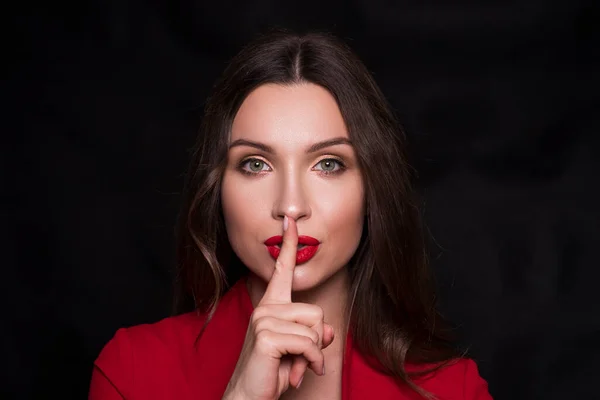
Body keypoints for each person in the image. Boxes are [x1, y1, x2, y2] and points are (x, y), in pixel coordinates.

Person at [89, 30, 493, 399]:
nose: (291, 206)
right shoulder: (133, 371)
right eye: (255, 164)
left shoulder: (452, 389)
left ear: (372, 187)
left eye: (329, 164)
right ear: (217, 189)